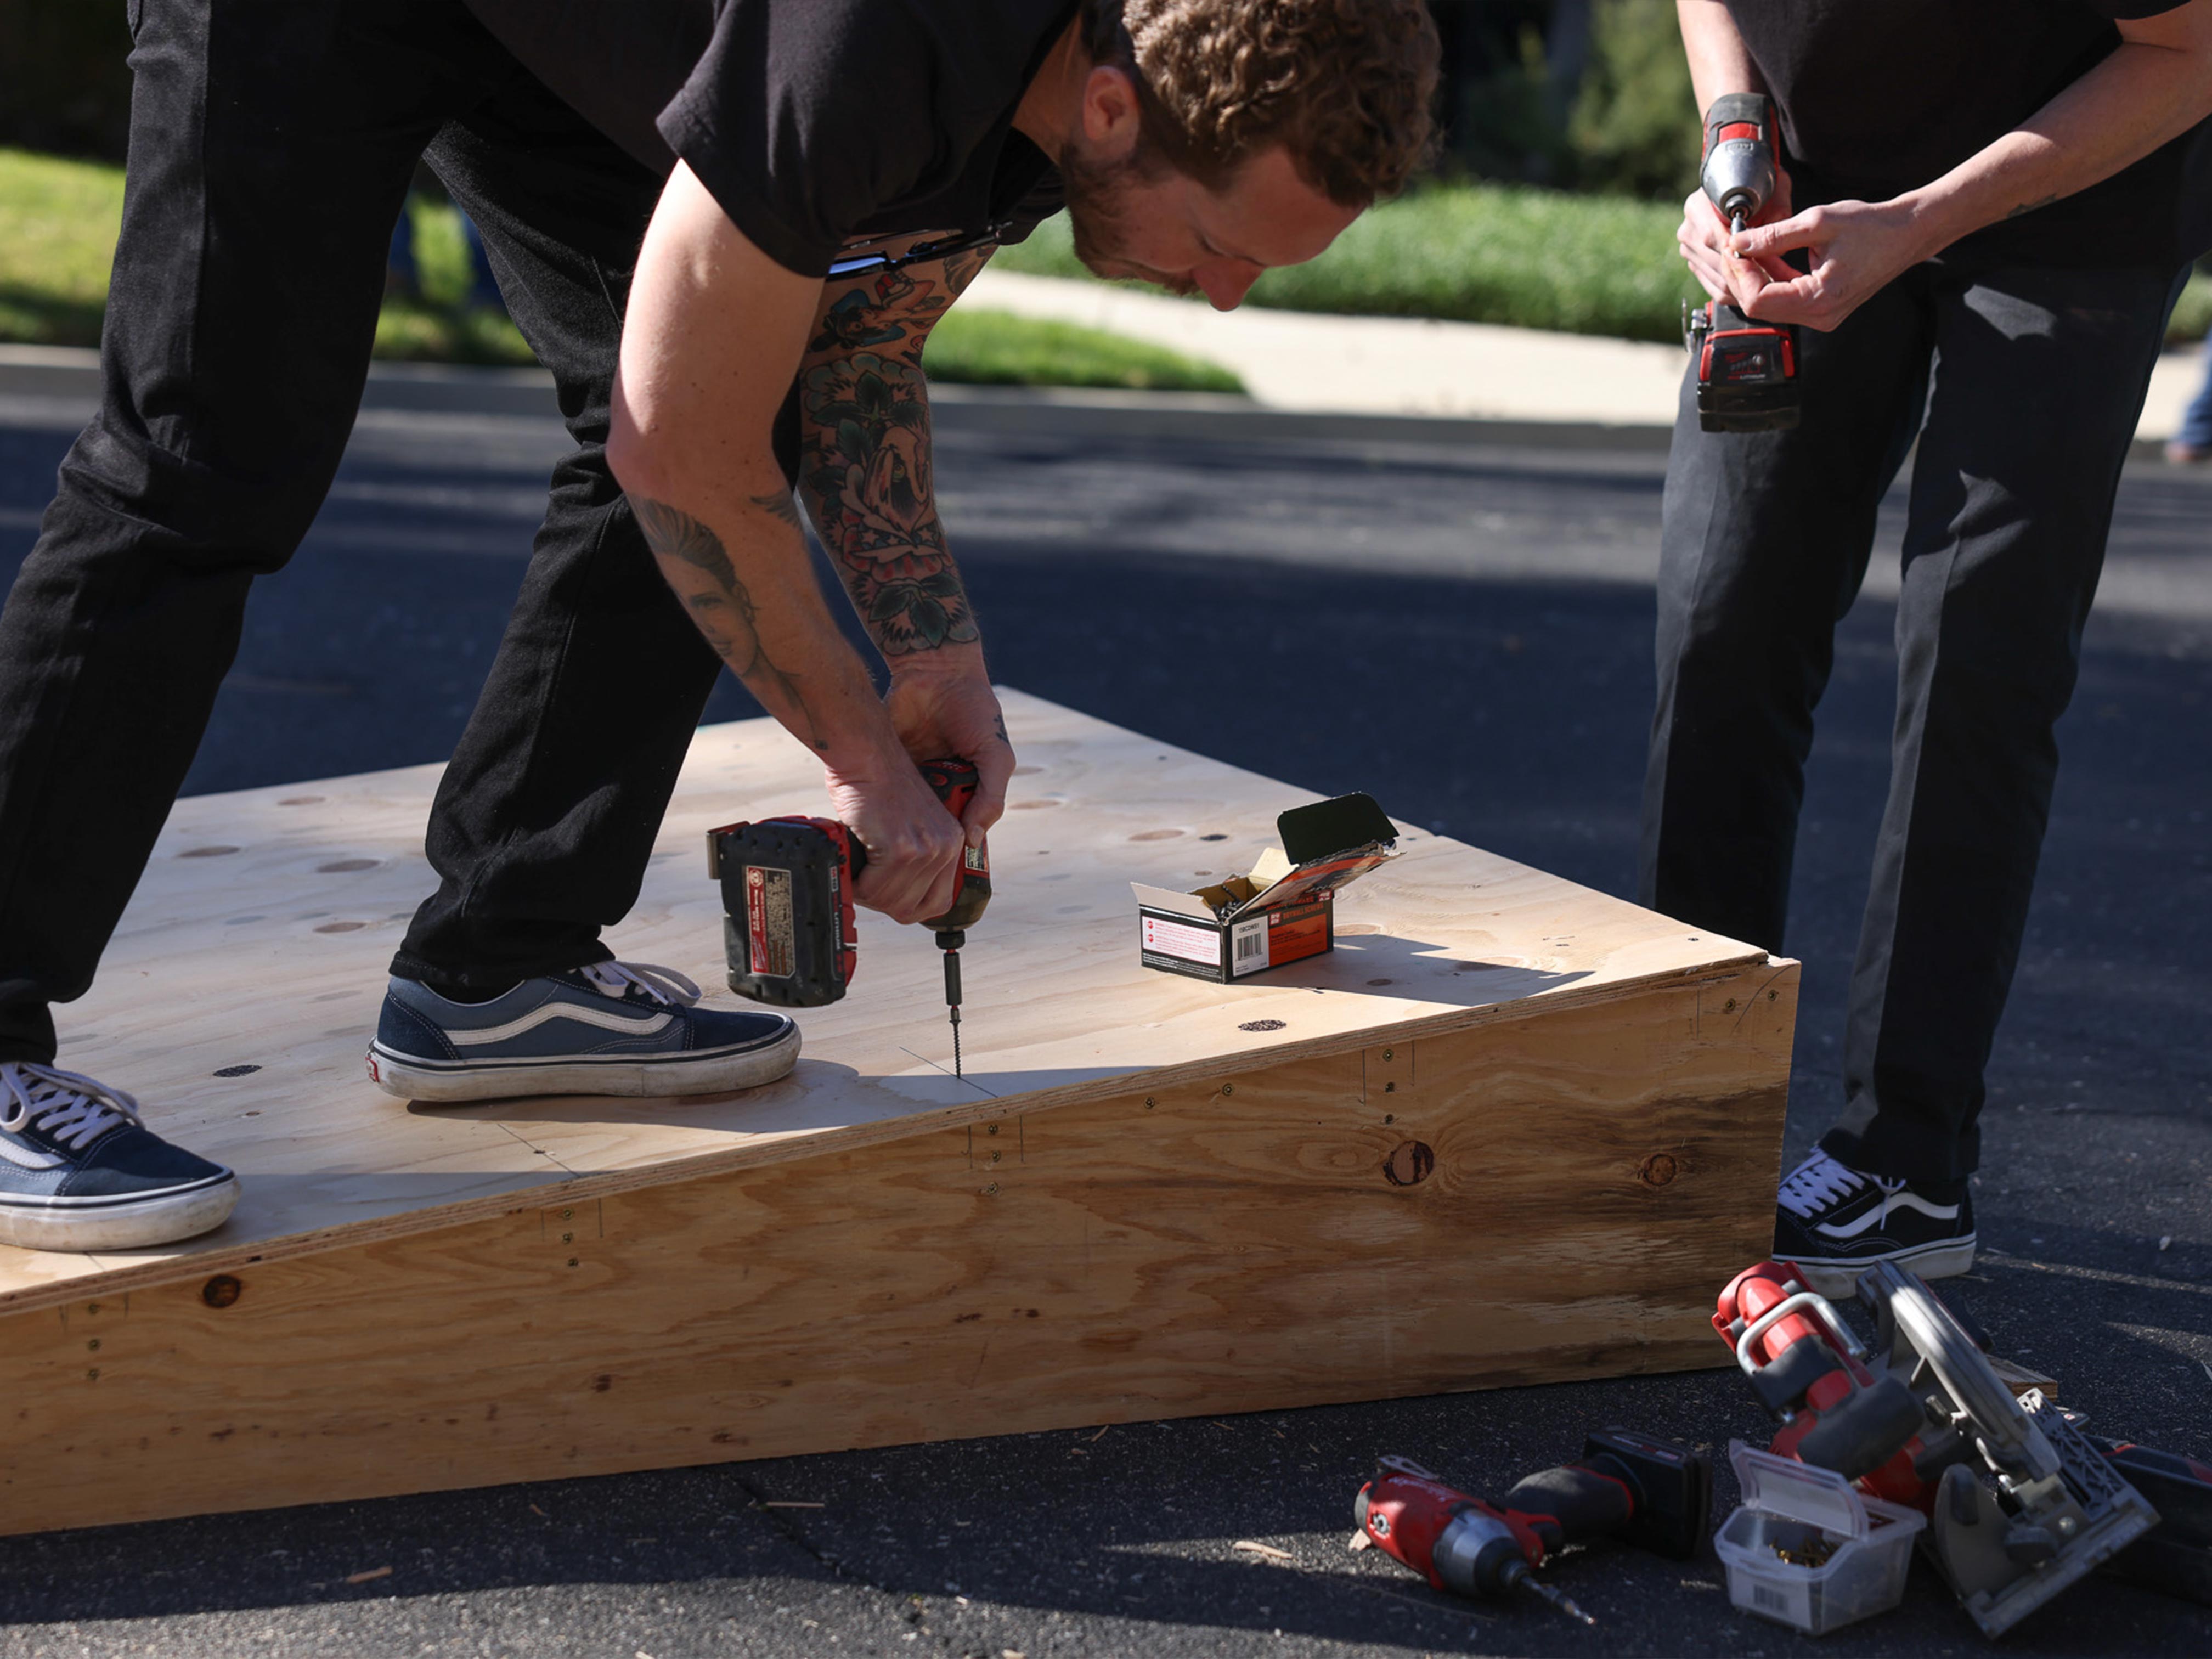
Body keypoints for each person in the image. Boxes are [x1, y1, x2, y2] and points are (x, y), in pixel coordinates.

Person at [0, 0, 1439, 1254]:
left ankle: (499, 969)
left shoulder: (1098, 68)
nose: (1233, 290)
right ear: (1117, 108)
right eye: (1224, 243)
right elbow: (678, 448)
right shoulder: (892, 36)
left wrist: (935, 660)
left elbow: (852, 333)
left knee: (736, 408)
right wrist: (863, 761)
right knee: (204, 459)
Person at [1645, 0, 2212, 1294]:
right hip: (1810, 187)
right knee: (1722, 615)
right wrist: (1737, 133)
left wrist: (1918, 222)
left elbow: (2190, 52)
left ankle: (1907, 1154)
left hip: (2073, 211)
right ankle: (1676, 1111)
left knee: (1978, 653)